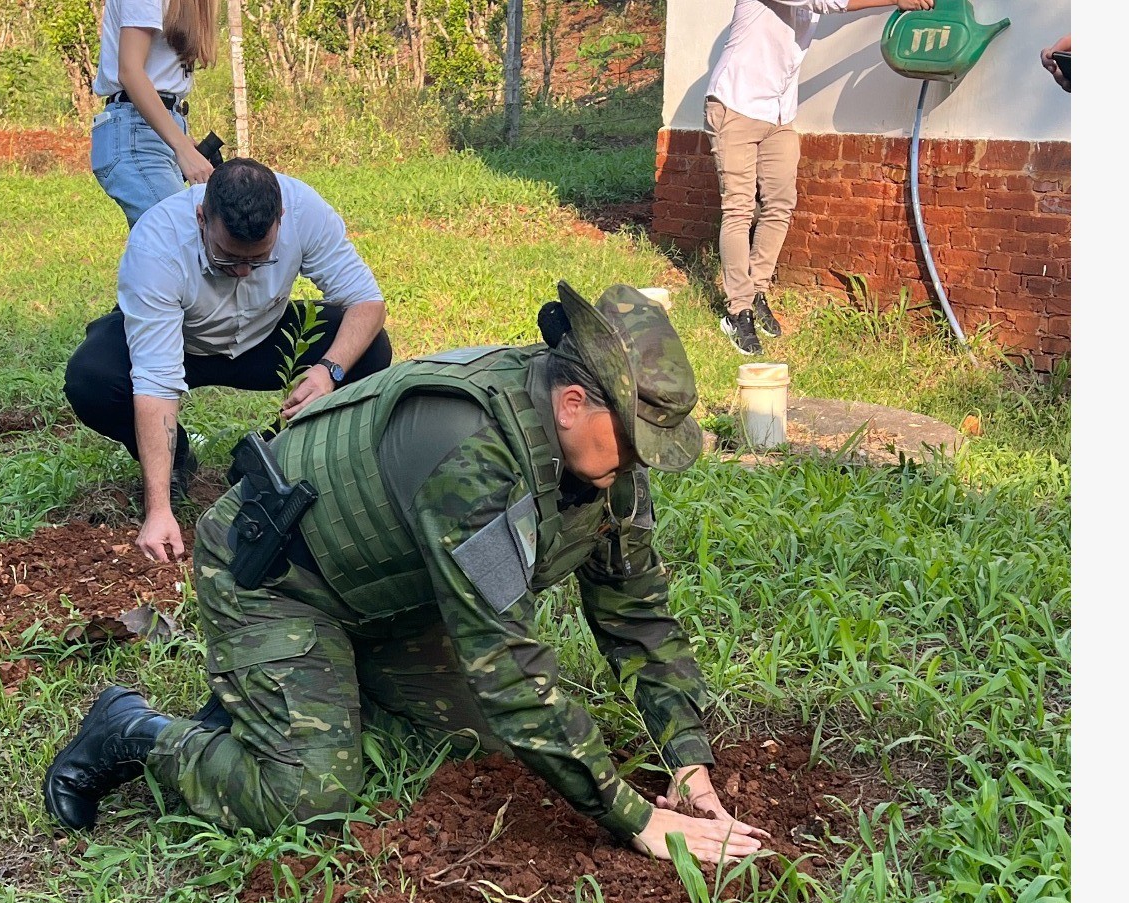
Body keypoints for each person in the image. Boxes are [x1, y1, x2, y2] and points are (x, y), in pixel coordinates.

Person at [44, 282, 771, 867]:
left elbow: (637, 612)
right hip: (278, 582)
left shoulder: (606, 466)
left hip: (389, 595)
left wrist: (688, 761)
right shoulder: (471, 449)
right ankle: (135, 730)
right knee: (308, 796)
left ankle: (287, 696)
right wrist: (634, 817)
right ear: (573, 402)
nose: (640, 465)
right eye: (636, 442)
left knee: (480, 742)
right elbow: (508, 665)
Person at [64, 156, 392, 564]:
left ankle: (272, 456)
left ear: (281, 219)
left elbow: (367, 302)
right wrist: (159, 509)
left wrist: (328, 371)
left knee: (369, 348)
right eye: (226, 257)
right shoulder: (157, 245)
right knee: (91, 378)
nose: (241, 271)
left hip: (263, 335)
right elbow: (156, 381)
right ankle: (177, 457)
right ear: (202, 217)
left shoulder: (304, 210)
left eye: (259, 260)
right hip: (182, 341)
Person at [705, 0, 934, 354]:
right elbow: (831, 2)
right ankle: (738, 310)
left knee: (780, 204)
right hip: (735, 107)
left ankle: (757, 291)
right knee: (738, 208)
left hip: (777, 114)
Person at [91, 0, 219, 227]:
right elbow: (130, 71)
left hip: (153, 129)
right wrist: (181, 147)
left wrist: (180, 138)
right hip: (134, 133)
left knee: (167, 249)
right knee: (183, 236)